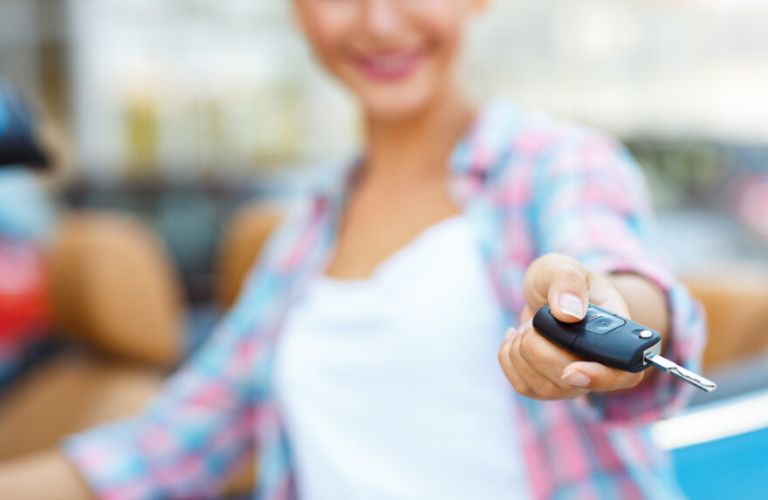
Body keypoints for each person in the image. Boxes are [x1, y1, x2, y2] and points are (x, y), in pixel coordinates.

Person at [0, 0, 705, 498]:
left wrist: (615, 307)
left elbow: (613, 267)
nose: (377, 20)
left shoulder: (556, 162)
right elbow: (164, 449)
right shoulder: (298, 235)